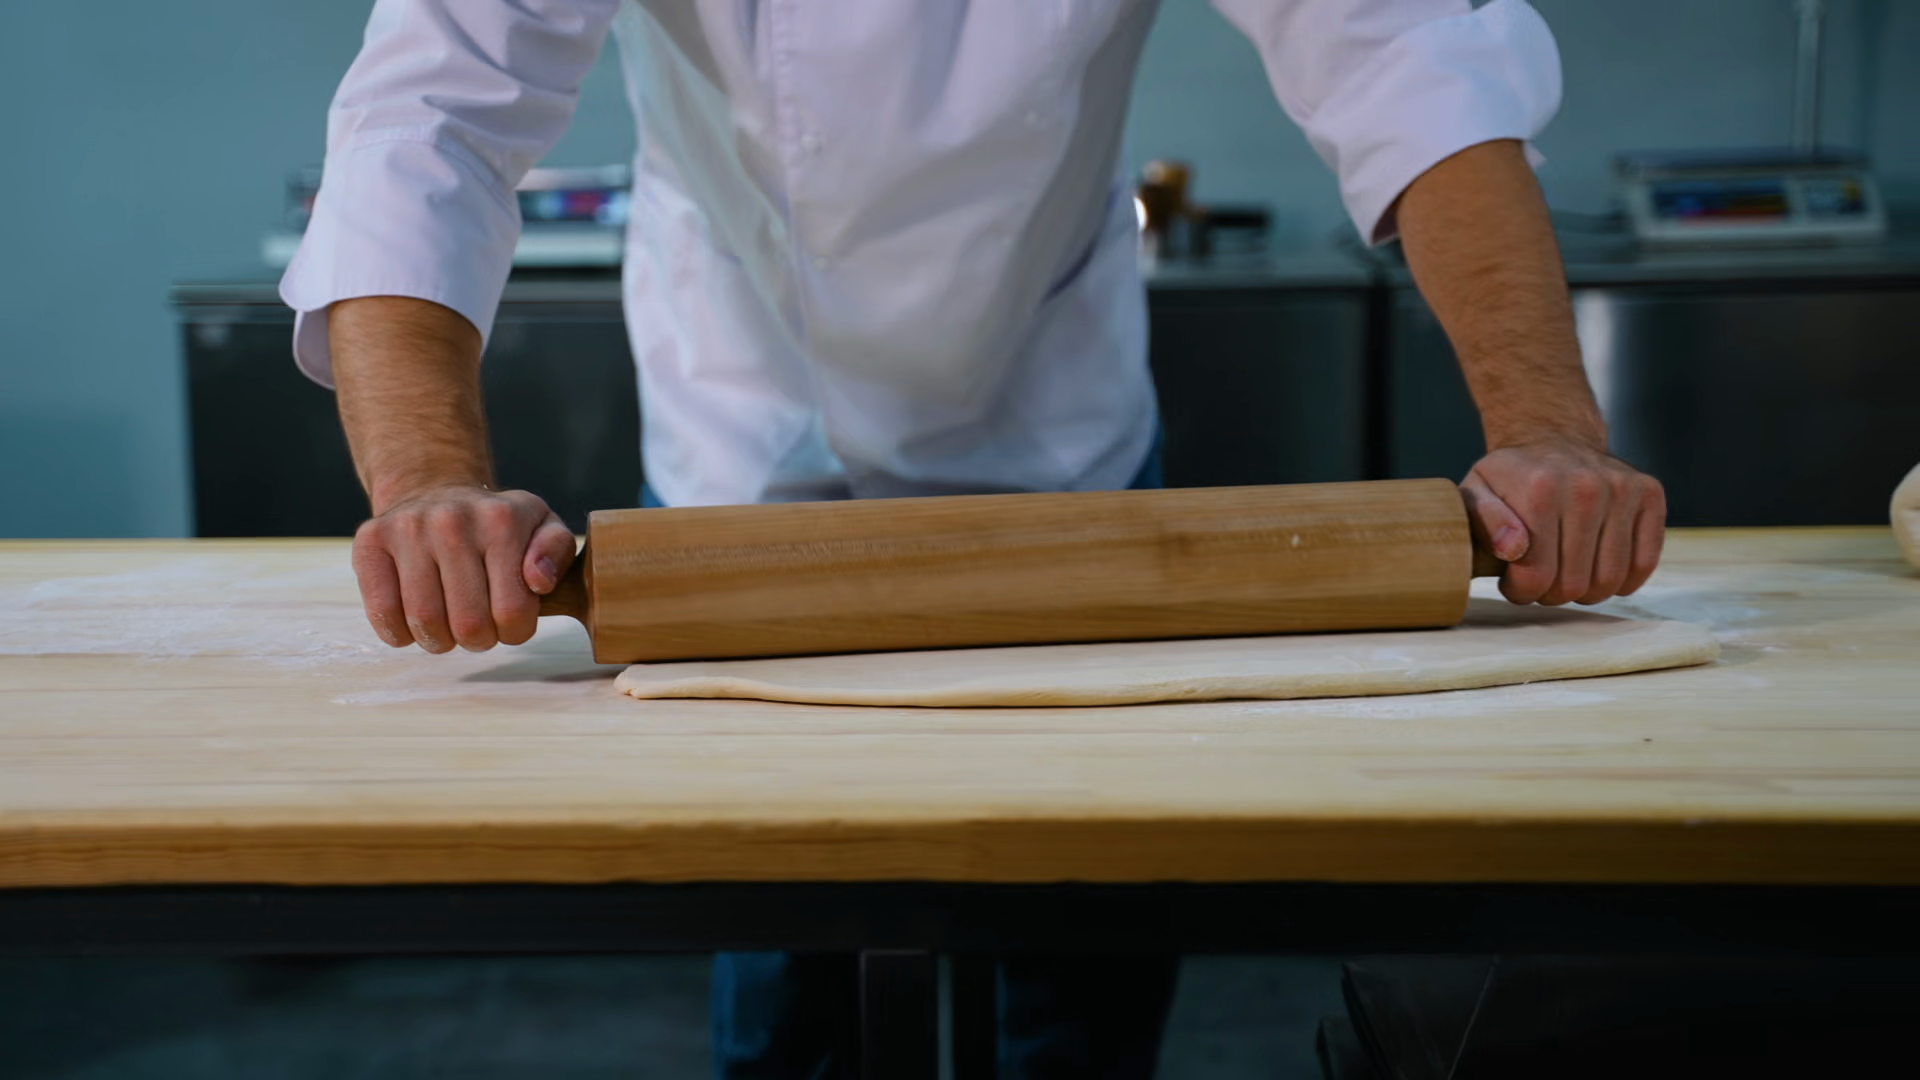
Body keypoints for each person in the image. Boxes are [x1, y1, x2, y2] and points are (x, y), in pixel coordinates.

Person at [283, 1, 1666, 1075]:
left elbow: (1407, 59)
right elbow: (432, 119)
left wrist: (1547, 426)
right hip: (749, 429)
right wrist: (427, 482)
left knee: (1080, 946)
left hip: (1055, 440)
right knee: (790, 961)